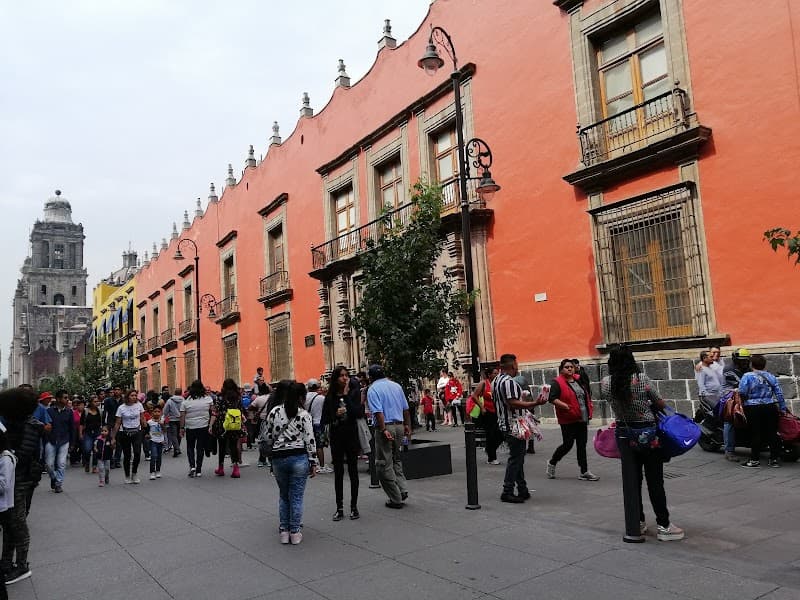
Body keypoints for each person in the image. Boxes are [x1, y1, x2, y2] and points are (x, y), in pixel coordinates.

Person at [602, 345, 684, 543]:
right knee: (655, 480)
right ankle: (664, 525)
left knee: (633, 480)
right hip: (648, 433)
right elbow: (658, 402)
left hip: (623, 432)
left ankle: (637, 521)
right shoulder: (641, 379)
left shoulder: (606, 383)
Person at [264, 380, 317, 545]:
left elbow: (268, 436)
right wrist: (313, 461)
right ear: (301, 398)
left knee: (284, 496)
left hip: (279, 457)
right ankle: (295, 532)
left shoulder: (274, 411)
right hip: (299, 457)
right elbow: (310, 440)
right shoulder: (304, 415)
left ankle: (284, 531)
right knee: (296, 497)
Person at [0, 388, 42, 585]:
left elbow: (22, 455)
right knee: (10, 523)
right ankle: (6, 563)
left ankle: (22, 565)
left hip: (22, 480)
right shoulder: (13, 423)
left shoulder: (30, 426)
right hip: (15, 479)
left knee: (17, 523)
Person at [492, 354, 545, 503]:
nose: (517, 367)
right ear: (513, 365)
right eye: (516, 364)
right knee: (516, 459)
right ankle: (507, 490)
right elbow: (513, 403)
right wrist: (534, 403)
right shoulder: (509, 382)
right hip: (514, 425)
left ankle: (523, 489)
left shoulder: (496, 380)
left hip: (504, 423)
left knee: (518, 458)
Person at [545, 359, 599, 482]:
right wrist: (566, 406)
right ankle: (552, 462)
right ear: (561, 369)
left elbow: (586, 394)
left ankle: (584, 471)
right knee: (568, 444)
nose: (569, 369)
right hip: (568, 419)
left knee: (582, 445)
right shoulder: (557, 382)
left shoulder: (578, 379)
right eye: (566, 367)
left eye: (571, 367)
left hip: (582, 417)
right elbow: (552, 398)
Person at [322, 366, 363, 521]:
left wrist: (346, 397)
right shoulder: (330, 397)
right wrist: (335, 414)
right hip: (337, 437)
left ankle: (354, 506)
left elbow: (358, 413)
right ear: (335, 378)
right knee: (338, 472)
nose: (345, 378)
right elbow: (325, 419)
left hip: (351, 436)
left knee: (353, 470)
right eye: (341, 376)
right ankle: (339, 507)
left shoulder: (353, 393)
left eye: (346, 375)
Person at [367, 364, 410, 509]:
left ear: (371, 377)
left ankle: (395, 497)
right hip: (399, 425)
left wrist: (383, 428)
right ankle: (402, 489)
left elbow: (378, 412)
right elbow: (406, 408)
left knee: (383, 463)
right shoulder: (396, 386)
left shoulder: (373, 389)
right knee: (396, 458)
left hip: (385, 426)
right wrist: (406, 425)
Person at [739, 354, 786, 469]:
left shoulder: (747, 376)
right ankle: (774, 459)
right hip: (770, 406)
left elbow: (742, 392)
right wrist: (783, 408)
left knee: (755, 433)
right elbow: (779, 393)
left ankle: (755, 460)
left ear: (751, 364)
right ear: (764, 364)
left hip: (753, 407)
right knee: (772, 433)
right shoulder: (771, 376)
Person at [721, 348, 752, 461]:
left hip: (744, 397)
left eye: (746, 360)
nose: (744, 362)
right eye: (741, 360)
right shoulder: (729, 369)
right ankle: (729, 451)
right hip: (729, 397)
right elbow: (740, 383)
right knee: (730, 420)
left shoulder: (748, 369)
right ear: (735, 360)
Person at [180, 380, 214, 478]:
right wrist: (211, 425)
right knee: (200, 448)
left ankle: (192, 466)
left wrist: (181, 428)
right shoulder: (208, 399)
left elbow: (182, 416)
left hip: (190, 427)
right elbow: (213, 413)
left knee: (190, 447)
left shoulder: (185, 402)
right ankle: (199, 469)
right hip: (203, 426)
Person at [112, 390, 146, 484]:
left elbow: (142, 418)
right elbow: (117, 423)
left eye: (135, 395)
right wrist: (113, 437)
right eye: (132, 395)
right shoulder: (121, 408)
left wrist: (146, 429)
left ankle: (134, 473)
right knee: (127, 455)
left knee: (137, 453)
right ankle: (127, 475)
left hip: (137, 431)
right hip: (125, 433)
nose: (134, 397)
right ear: (127, 397)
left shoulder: (139, 405)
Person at [45, 390, 75, 494]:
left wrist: (72, 443)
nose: (67, 400)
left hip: (64, 440)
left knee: (61, 463)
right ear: (58, 399)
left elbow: (72, 428)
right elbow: (46, 426)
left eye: (67, 398)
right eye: (65, 398)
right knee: (49, 464)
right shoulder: (49, 411)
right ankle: (54, 477)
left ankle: (58, 484)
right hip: (51, 440)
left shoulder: (69, 412)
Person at [213, 379, 244, 478]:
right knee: (233, 446)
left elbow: (216, 411)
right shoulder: (238, 397)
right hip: (234, 424)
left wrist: (211, 425)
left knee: (222, 447)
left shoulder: (220, 397)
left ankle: (221, 468)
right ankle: (236, 469)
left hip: (223, 424)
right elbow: (241, 410)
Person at [470, 366, 502, 465]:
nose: (497, 375)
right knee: (491, 434)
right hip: (487, 412)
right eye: (495, 373)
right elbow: (474, 396)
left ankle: (489, 449)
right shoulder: (483, 383)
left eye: (498, 373)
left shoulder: (497, 384)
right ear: (489, 374)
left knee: (501, 434)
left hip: (497, 411)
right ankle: (492, 458)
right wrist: (482, 407)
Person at [0, 422, 15, 597]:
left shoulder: (6, 458)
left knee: (10, 534)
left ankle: (7, 564)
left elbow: (3, 485)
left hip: (4, 505)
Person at [304, 380, 331, 474]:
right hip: (318, 423)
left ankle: (310, 464)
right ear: (317, 387)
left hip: (307, 423)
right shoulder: (321, 398)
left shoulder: (304, 397)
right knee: (319, 446)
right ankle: (322, 465)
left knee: (308, 444)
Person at [250, 382, 271, 468]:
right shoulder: (272, 398)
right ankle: (270, 459)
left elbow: (250, 407)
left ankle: (261, 460)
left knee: (262, 440)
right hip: (271, 420)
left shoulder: (259, 399)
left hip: (261, 421)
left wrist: (258, 410)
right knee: (271, 440)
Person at [79, 396, 102, 474]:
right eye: (95, 401)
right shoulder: (85, 411)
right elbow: (81, 424)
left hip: (97, 432)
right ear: (91, 402)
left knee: (96, 450)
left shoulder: (100, 411)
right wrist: (80, 433)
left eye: (97, 401)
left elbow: (102, 423)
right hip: (87, 433)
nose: (97, 403)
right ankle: (87, 462)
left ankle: (94, 466)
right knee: (87, 449)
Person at [104, 386, 123, 468]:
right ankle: (111, 460)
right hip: (111, 423)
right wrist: (105, 425)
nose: (116, 391)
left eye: (118, 389)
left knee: (119, 443)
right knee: (111, 442)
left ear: (121, 391)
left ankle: (117, 460)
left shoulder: (124, 400)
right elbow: (105, 412)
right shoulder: (108, 401)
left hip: (122, 423)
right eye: (115, 389)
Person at [146, 405, 165, 480]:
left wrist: (162, 424)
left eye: (158, 412)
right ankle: (152, 472)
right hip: (153, 441)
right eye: (155, 411)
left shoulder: (162, 421)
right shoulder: (149, 422)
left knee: (159, 457)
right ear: (152, 413)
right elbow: (147, 432)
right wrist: (147, 436)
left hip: (160, 441)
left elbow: (165, 431)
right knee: (154, 456)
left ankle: (158, 471)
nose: (157, 413)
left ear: (161, 413)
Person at [163, 388, 184, 457]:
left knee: (173, 435)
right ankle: (177, 448)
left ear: (174, 392)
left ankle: (177, 448)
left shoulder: (170, 401)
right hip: (181, 419)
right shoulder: (184, 400)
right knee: (179, 435)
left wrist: (165, 416)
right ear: (181, 393)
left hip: (172, 420)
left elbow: (165, 410)